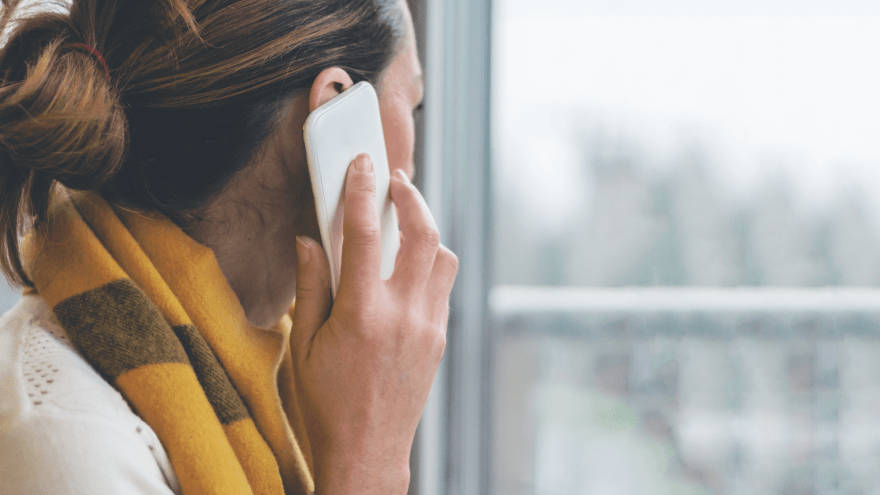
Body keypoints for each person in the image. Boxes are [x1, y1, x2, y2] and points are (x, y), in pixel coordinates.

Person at [0, 0, 457, 493]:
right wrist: (368, 463)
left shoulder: (283, 370)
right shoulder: (67, 442)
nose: (412, 166)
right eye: (414, 105)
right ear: (336, 107)